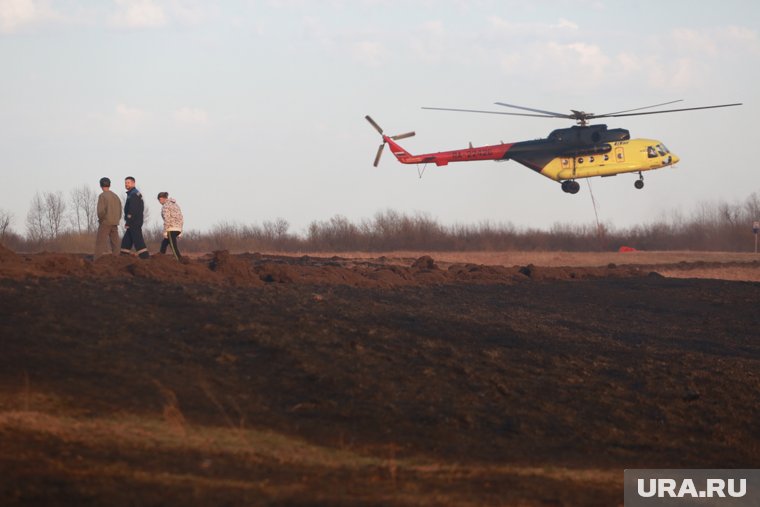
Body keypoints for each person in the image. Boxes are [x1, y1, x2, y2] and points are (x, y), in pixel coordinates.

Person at [120, 176, 149, 259]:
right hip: (134, 222)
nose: (126, 184)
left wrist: (128, 222)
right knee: (126, 241)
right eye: (125, 183)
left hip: (134, 222)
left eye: (128, 183)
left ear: (133, 183)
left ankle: (146, 259)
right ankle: (123, 257)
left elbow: (132, 210)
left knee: (138, 241)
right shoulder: (132, 194)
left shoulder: (134, 195)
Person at [95, 177, 122, 256]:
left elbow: (100, 211)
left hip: (105, 222)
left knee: (100, 242)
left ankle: (96, 260)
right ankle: (116, 260)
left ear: (100, 185)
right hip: (115, 222)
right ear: (110, 185)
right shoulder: (116, 196)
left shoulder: (102, 196)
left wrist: (101, 220)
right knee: (115, 243)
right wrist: (117, 219)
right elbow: (120, 210)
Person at [157, 192, 184, 261]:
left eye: (159, 200)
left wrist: (165, 231)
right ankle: (160, 258)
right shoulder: (175, 205)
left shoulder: (165, 206)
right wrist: (181, 230)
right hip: (177, 228)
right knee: (164, 243)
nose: (159, 202)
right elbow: (181, 217)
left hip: (171, 228)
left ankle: (180, 260)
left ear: (162, 198)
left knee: (173, 246)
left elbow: (167, 219)